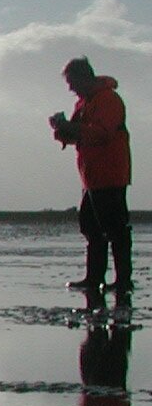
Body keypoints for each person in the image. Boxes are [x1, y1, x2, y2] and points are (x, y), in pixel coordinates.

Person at [49, 57, 131, 294]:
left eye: (72, 82)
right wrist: (60, 129)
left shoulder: (108, 99)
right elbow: (76, 135)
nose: (70, 88)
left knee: (115, 228)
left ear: (84, 77)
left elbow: (103, 134)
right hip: (91, 176)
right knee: (92, 229)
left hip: (111, 173)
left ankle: (123, 280)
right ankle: (94, 277)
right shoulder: (84, 103)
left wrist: (70, 128)